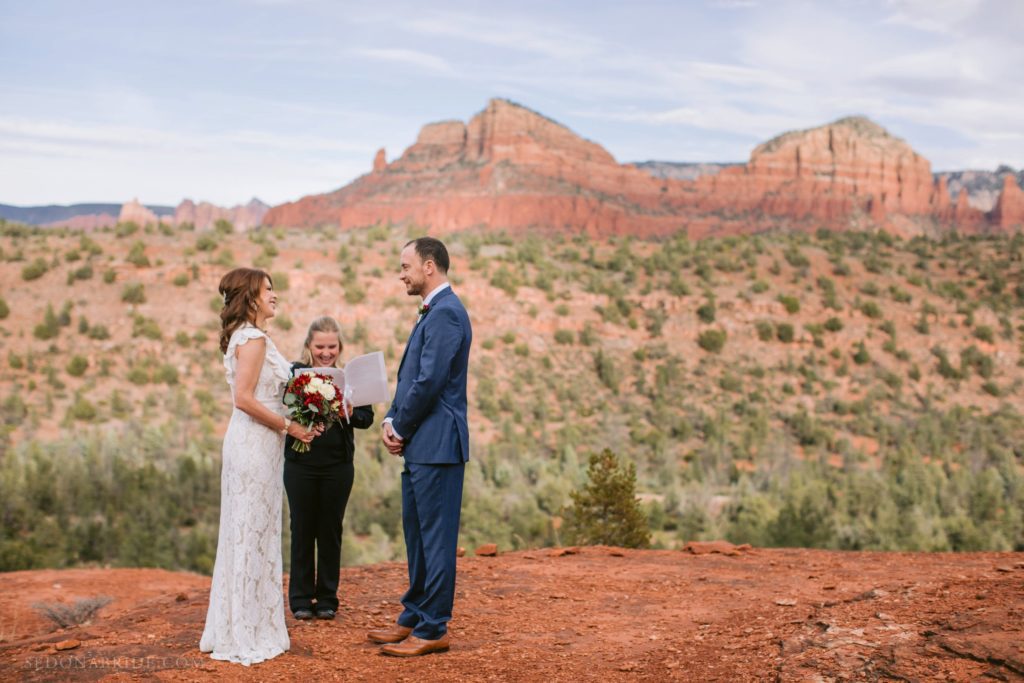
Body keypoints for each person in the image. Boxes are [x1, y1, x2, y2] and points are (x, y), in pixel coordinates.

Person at [200, 267, 319, 665]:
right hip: (253, 445)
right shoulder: (251, 339)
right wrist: (291, 426)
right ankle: (245, 631)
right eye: (268, 289)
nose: (275, 294)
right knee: (249, 531)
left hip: (260, 445)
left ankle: (247, 622)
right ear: (250, 297)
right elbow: (245, 399)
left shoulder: (254, 337)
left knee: (255, 530)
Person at [368, 237, 472, 657]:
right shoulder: (434, 311)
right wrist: (393, 419)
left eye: (406, 265)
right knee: (418, 536)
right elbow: (411, 379)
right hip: (420, 444)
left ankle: (433, 628)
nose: (401, 273)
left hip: (438, 444)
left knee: (436, 538)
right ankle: (413, 614)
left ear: (429, 266)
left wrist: (401, 424)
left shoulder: (446, 313)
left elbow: (429, 382)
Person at [284, 316, 374, 621]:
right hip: (301, 464)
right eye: (320, 346)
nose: (326, 352)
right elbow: (283, 410)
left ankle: (326, 599)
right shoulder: (294, 373)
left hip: (338, 465)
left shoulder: (351, 377)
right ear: (309, 345)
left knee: (330, 530)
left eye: (332, 346)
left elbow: (366, 419)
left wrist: (350, 411)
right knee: (302, 529)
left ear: (340, 347)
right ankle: (298, 599)